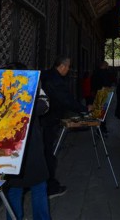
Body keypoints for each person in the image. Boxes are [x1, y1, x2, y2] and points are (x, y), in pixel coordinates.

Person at [3, 62, 51, 220]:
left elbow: (44, 106)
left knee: (22, 189)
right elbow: (44, 106)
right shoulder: (3, 91)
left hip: (25, 147)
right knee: (31, 188)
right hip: (18, 148)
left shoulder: (33, 86)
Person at [41, 56, 89, 199]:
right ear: (62, 66)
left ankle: (43, 183)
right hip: (48, 120)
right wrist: (83, 109)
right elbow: (65, 99)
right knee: (48, 153)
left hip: (43, 119)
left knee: (45, 152)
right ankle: (50, 186)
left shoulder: (46, 75)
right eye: (68, 67)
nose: (68, 70)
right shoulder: (55, 80)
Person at [91, 60, 112, 134]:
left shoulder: (96, 73)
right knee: (103, 112)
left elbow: (93, 83)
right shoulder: (106, 73)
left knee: (99, 111)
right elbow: (109, 83)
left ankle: (99, 128)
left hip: (98, 93)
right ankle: (101, 128)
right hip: (103, 94)